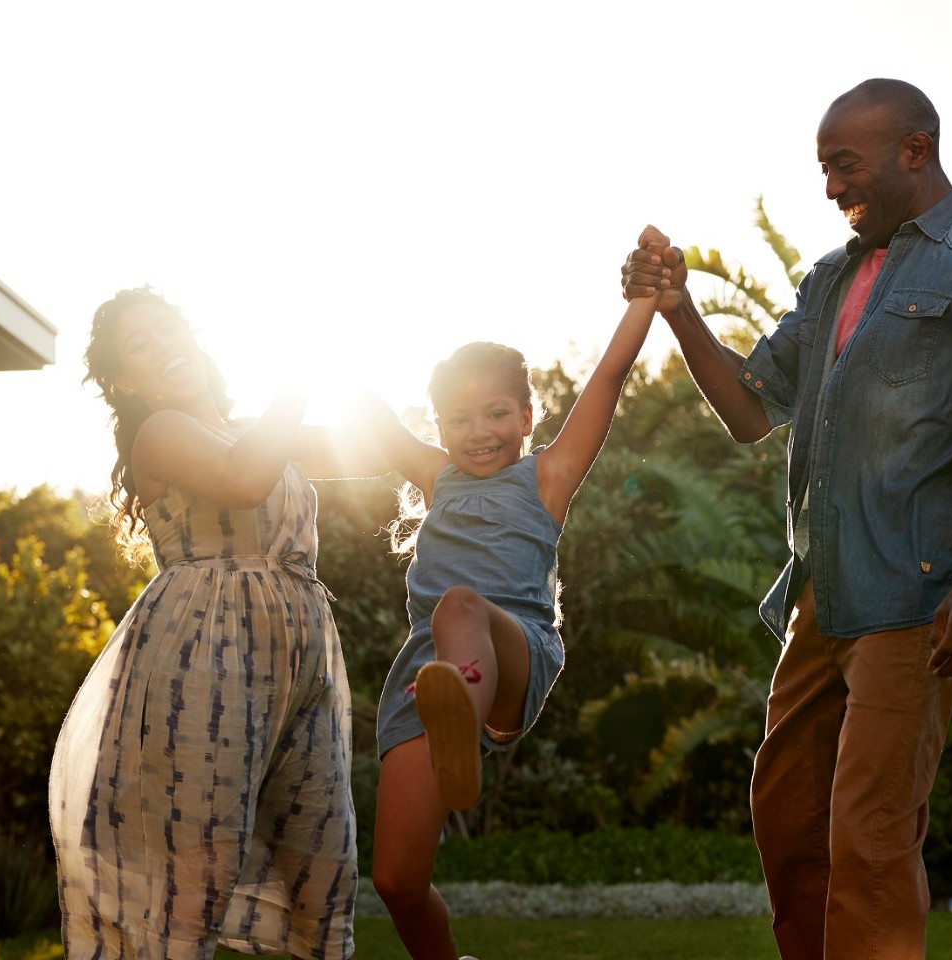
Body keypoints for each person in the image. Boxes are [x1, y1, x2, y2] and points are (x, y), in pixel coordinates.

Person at [621, 79, 952, 959]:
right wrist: (679, 308)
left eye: (844, 165)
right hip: (819, 604)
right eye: (823, 169)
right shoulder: (831, 276)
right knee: (789, 826)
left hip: (915, 604)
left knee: (869, 844)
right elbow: (752, 411)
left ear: (915, 149)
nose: (831, 188)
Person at [50, 287, 388, 960]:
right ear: (125, 380)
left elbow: (378, 448)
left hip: (301, 664)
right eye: (137, 345)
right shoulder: (161, 433)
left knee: (327, 880)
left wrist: (471, 461)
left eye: (166, 328)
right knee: (193, 887)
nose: (162, 345)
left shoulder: (261, 435)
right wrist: (306, 367)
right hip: (202, 658)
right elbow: (242, 478)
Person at [361, 236, 665, 960]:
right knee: (396, 882)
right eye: (459, 420)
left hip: (513, 653)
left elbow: (612, 377)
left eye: (496, 414)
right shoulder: (439, 479)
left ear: (528, 416)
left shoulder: (548, 478)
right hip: (426, 676)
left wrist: (646, 298)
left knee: (460, 605)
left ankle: (459, 725)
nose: (479, 433)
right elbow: (368, 417)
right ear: (439, 429)